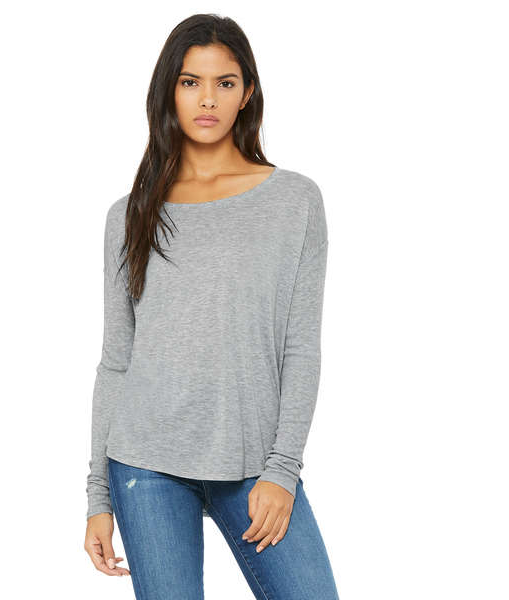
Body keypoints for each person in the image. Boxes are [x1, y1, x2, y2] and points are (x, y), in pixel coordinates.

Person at [83, 13, 340, 600]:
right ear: (168, 91)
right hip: (144, 462)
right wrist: (98, 495)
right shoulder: (130, 215)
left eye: (225, 82)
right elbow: (117, 361)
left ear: (247, 93)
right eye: (190, 81)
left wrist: (283, 470)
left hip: (253, 462)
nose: (207, 99)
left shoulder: (294, 200)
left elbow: (300, 347)